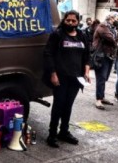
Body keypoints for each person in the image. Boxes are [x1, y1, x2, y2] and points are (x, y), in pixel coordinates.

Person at [43, 10, 91, 148]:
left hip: (76, 78)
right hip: (60, 77)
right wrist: (53, 73)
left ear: (78, 22)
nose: (70, 23)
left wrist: (86, 71)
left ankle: (64, 132)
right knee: (58, 105)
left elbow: (87, 55)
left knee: (68, 105)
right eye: (68, 20)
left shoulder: (82, 35)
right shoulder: (57, 35)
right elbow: (48, 54)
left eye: (73, 21)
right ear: (64, 20)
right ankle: (52, 134)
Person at [92, 11, 118, 110]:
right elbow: (111, 39)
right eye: (116, 19)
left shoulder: (112, 28)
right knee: (101, 77)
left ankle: (102, 96)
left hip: (109, 55)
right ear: (110, 18)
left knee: (105, 78)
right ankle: (98, 100)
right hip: (101, 55)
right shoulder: (103, 26)